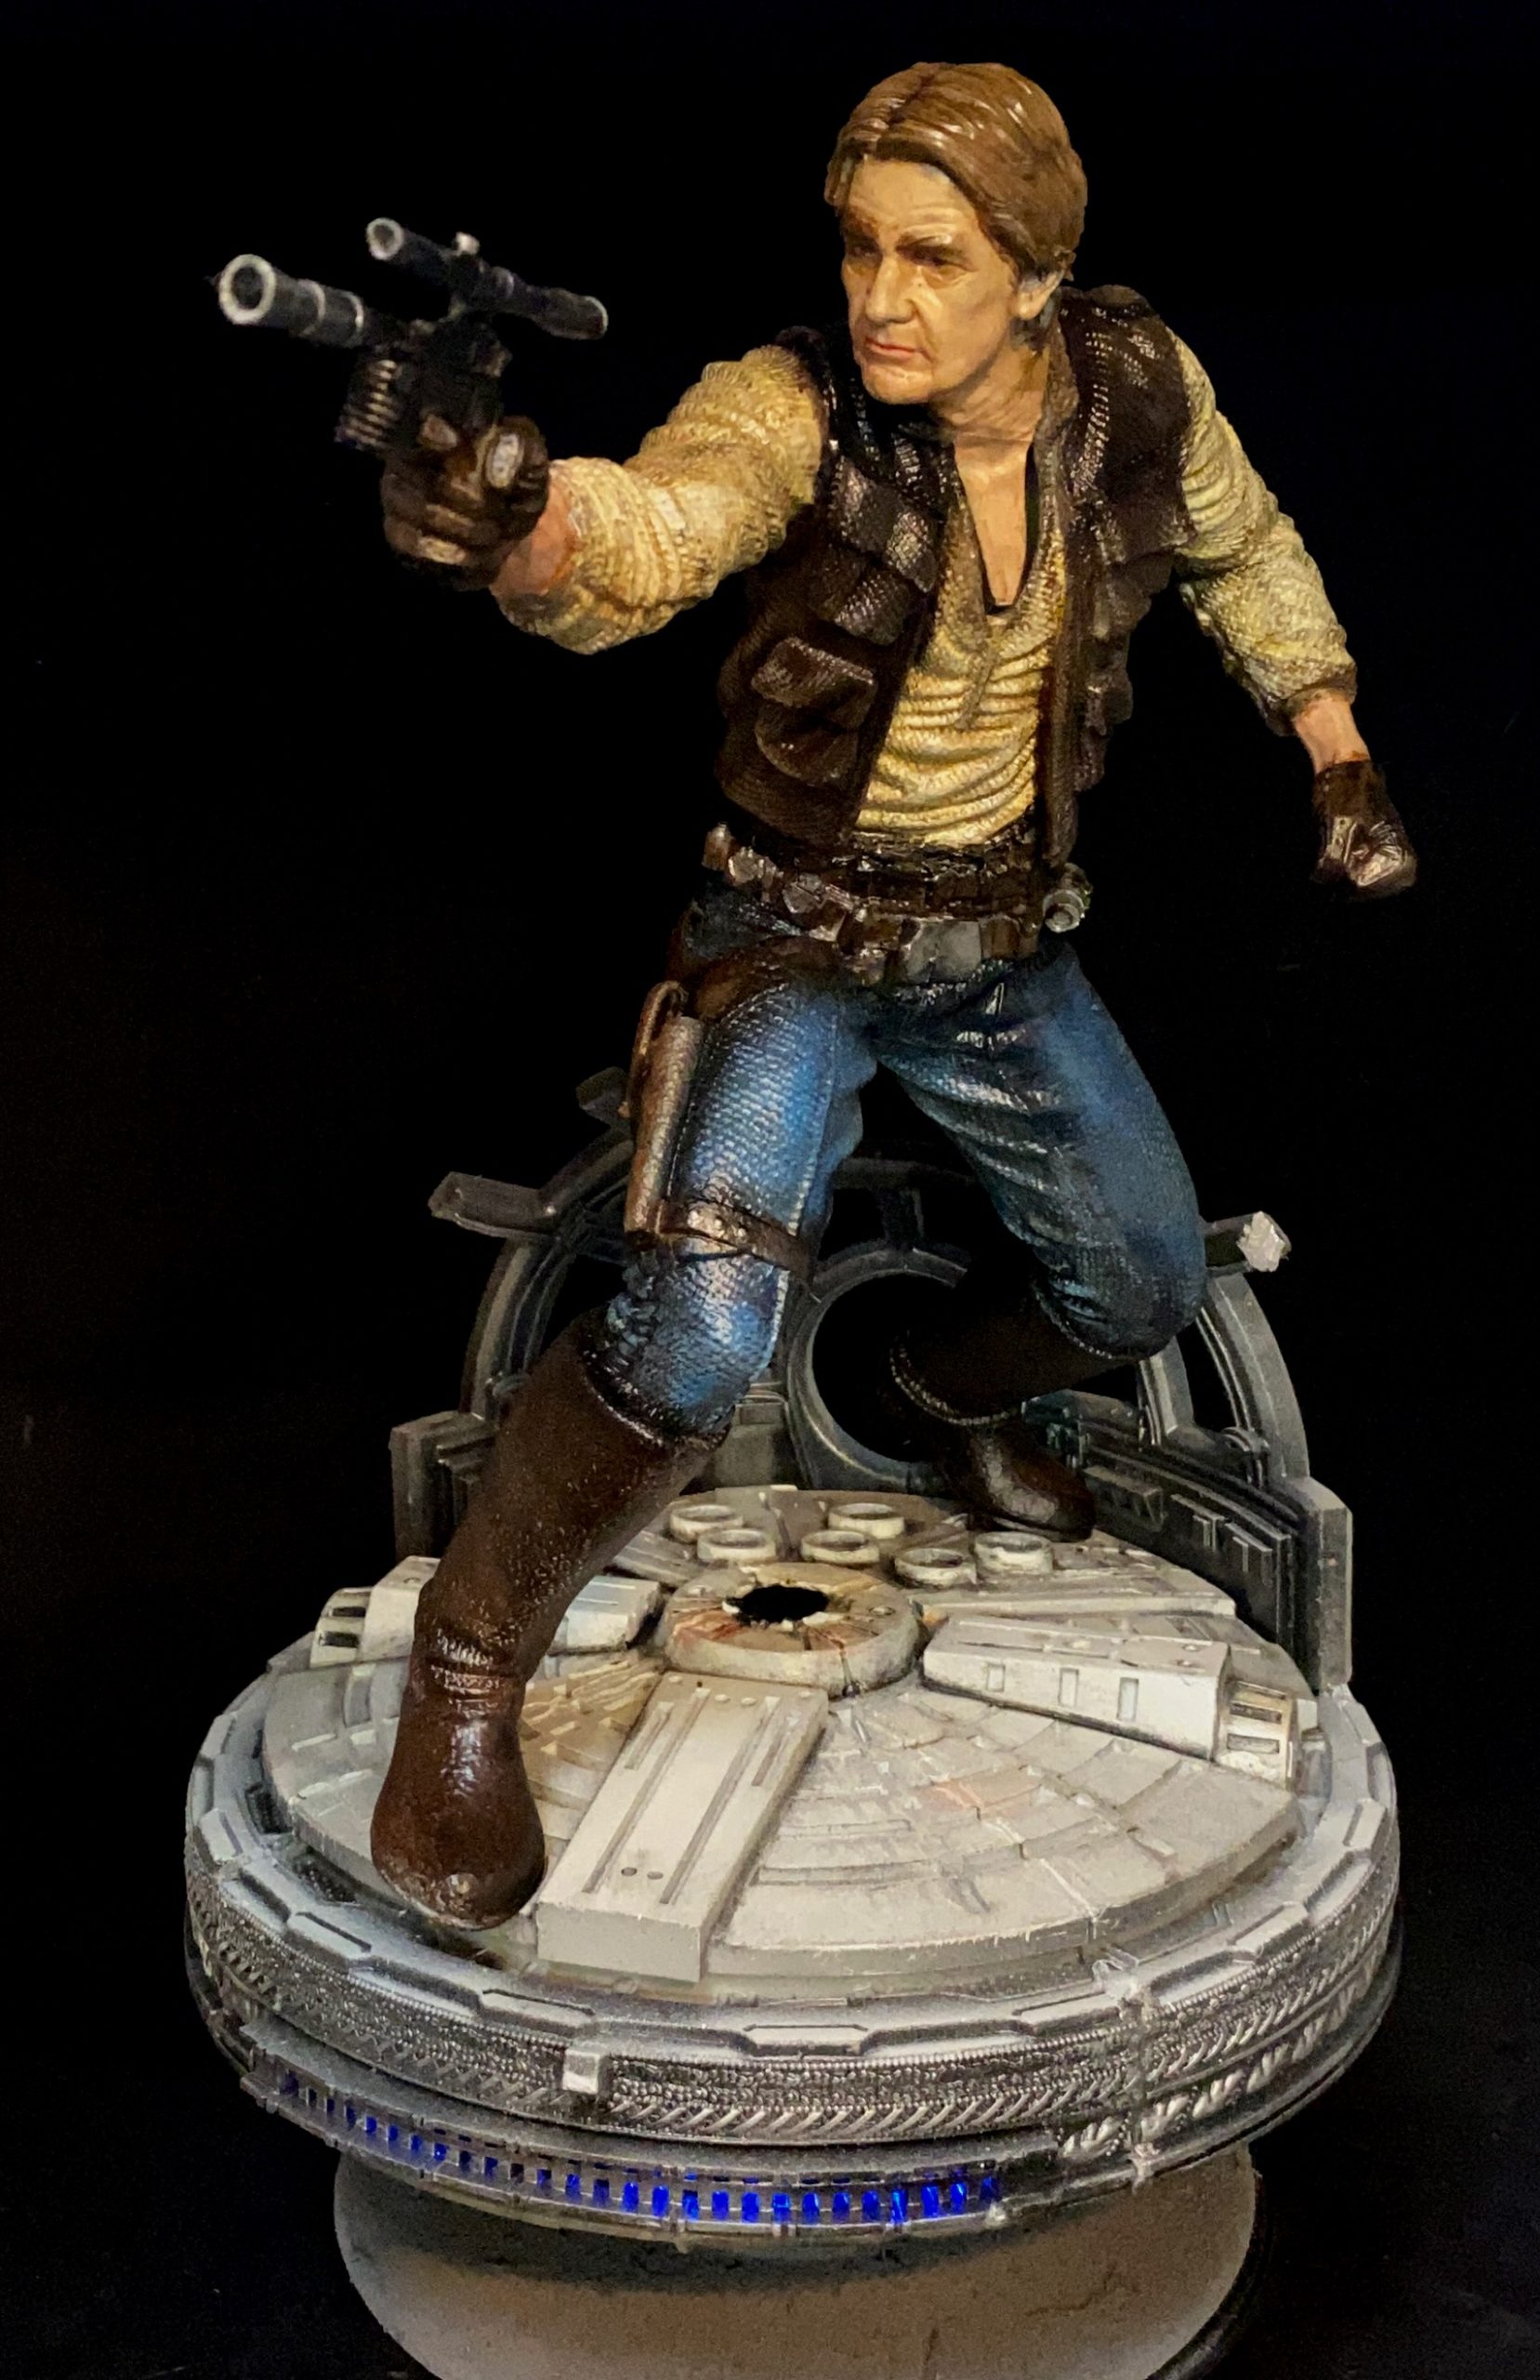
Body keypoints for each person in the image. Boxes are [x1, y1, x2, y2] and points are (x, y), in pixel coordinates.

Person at [370, 60, 1416, 1931]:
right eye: (860, 248)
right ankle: (465, 1668)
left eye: (933, 258)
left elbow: (1243, 547)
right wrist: (515, 525)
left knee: (1141, 1277)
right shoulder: (795, 411)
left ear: (1038, 276)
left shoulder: (1136, 393)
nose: (881, 296)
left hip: (1003, 951)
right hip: (790, 942)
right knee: (693, 1341)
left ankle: (933, 1389)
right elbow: (654, 529)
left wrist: (1331, 741)